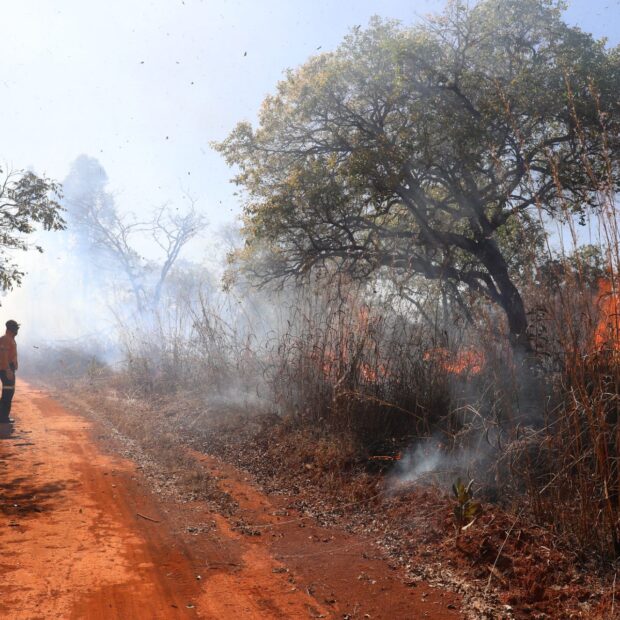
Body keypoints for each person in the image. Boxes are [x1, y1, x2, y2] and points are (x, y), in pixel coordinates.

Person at [0, 320, 19, 424]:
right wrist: (8, 370)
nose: (17, 331)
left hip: (8, 368)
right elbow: (3, 356)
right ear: (11, 329)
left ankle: (4, 416)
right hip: (5, 369)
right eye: (15, 328)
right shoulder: (6, 339)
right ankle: (2, 417)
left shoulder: (10, 339)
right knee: (7, 393)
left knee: (9, 392)